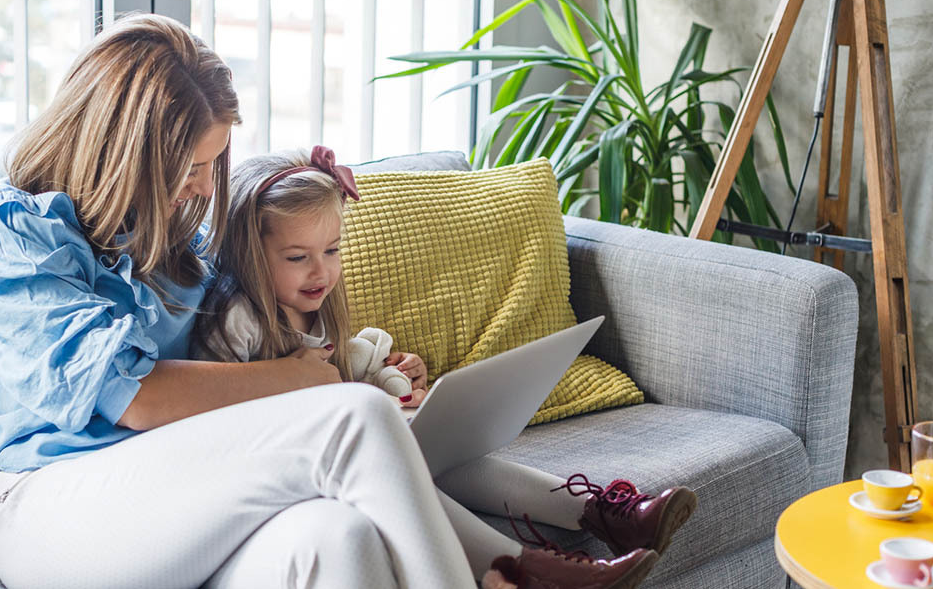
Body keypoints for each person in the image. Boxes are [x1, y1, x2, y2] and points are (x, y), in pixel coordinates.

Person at [0, 11, 685, 589]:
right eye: (191, 167)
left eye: (211, 166)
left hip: (180, 496)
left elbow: (246, 350)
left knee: (342, 538)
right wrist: (318, 382)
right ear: (125, 150)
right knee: (352, 416)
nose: (205, 187)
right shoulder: (11, 240)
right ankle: (504, 573)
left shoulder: (169, 246)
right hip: (52, 511)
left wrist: (363, 373)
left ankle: (538, 551)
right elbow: (135, 398)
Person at [192, 147, 699, 587]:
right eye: (298, 256)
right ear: (251, 254)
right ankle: (532, 570)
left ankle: (603, 514)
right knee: (410, 473)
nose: (321, 270)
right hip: (279, 474)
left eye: (332, 250)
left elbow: (338, 380)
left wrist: (392, 372)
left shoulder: (315, 304)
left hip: (332, 452)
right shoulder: (240, 321)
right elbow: (218, 416)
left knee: (448, 454)